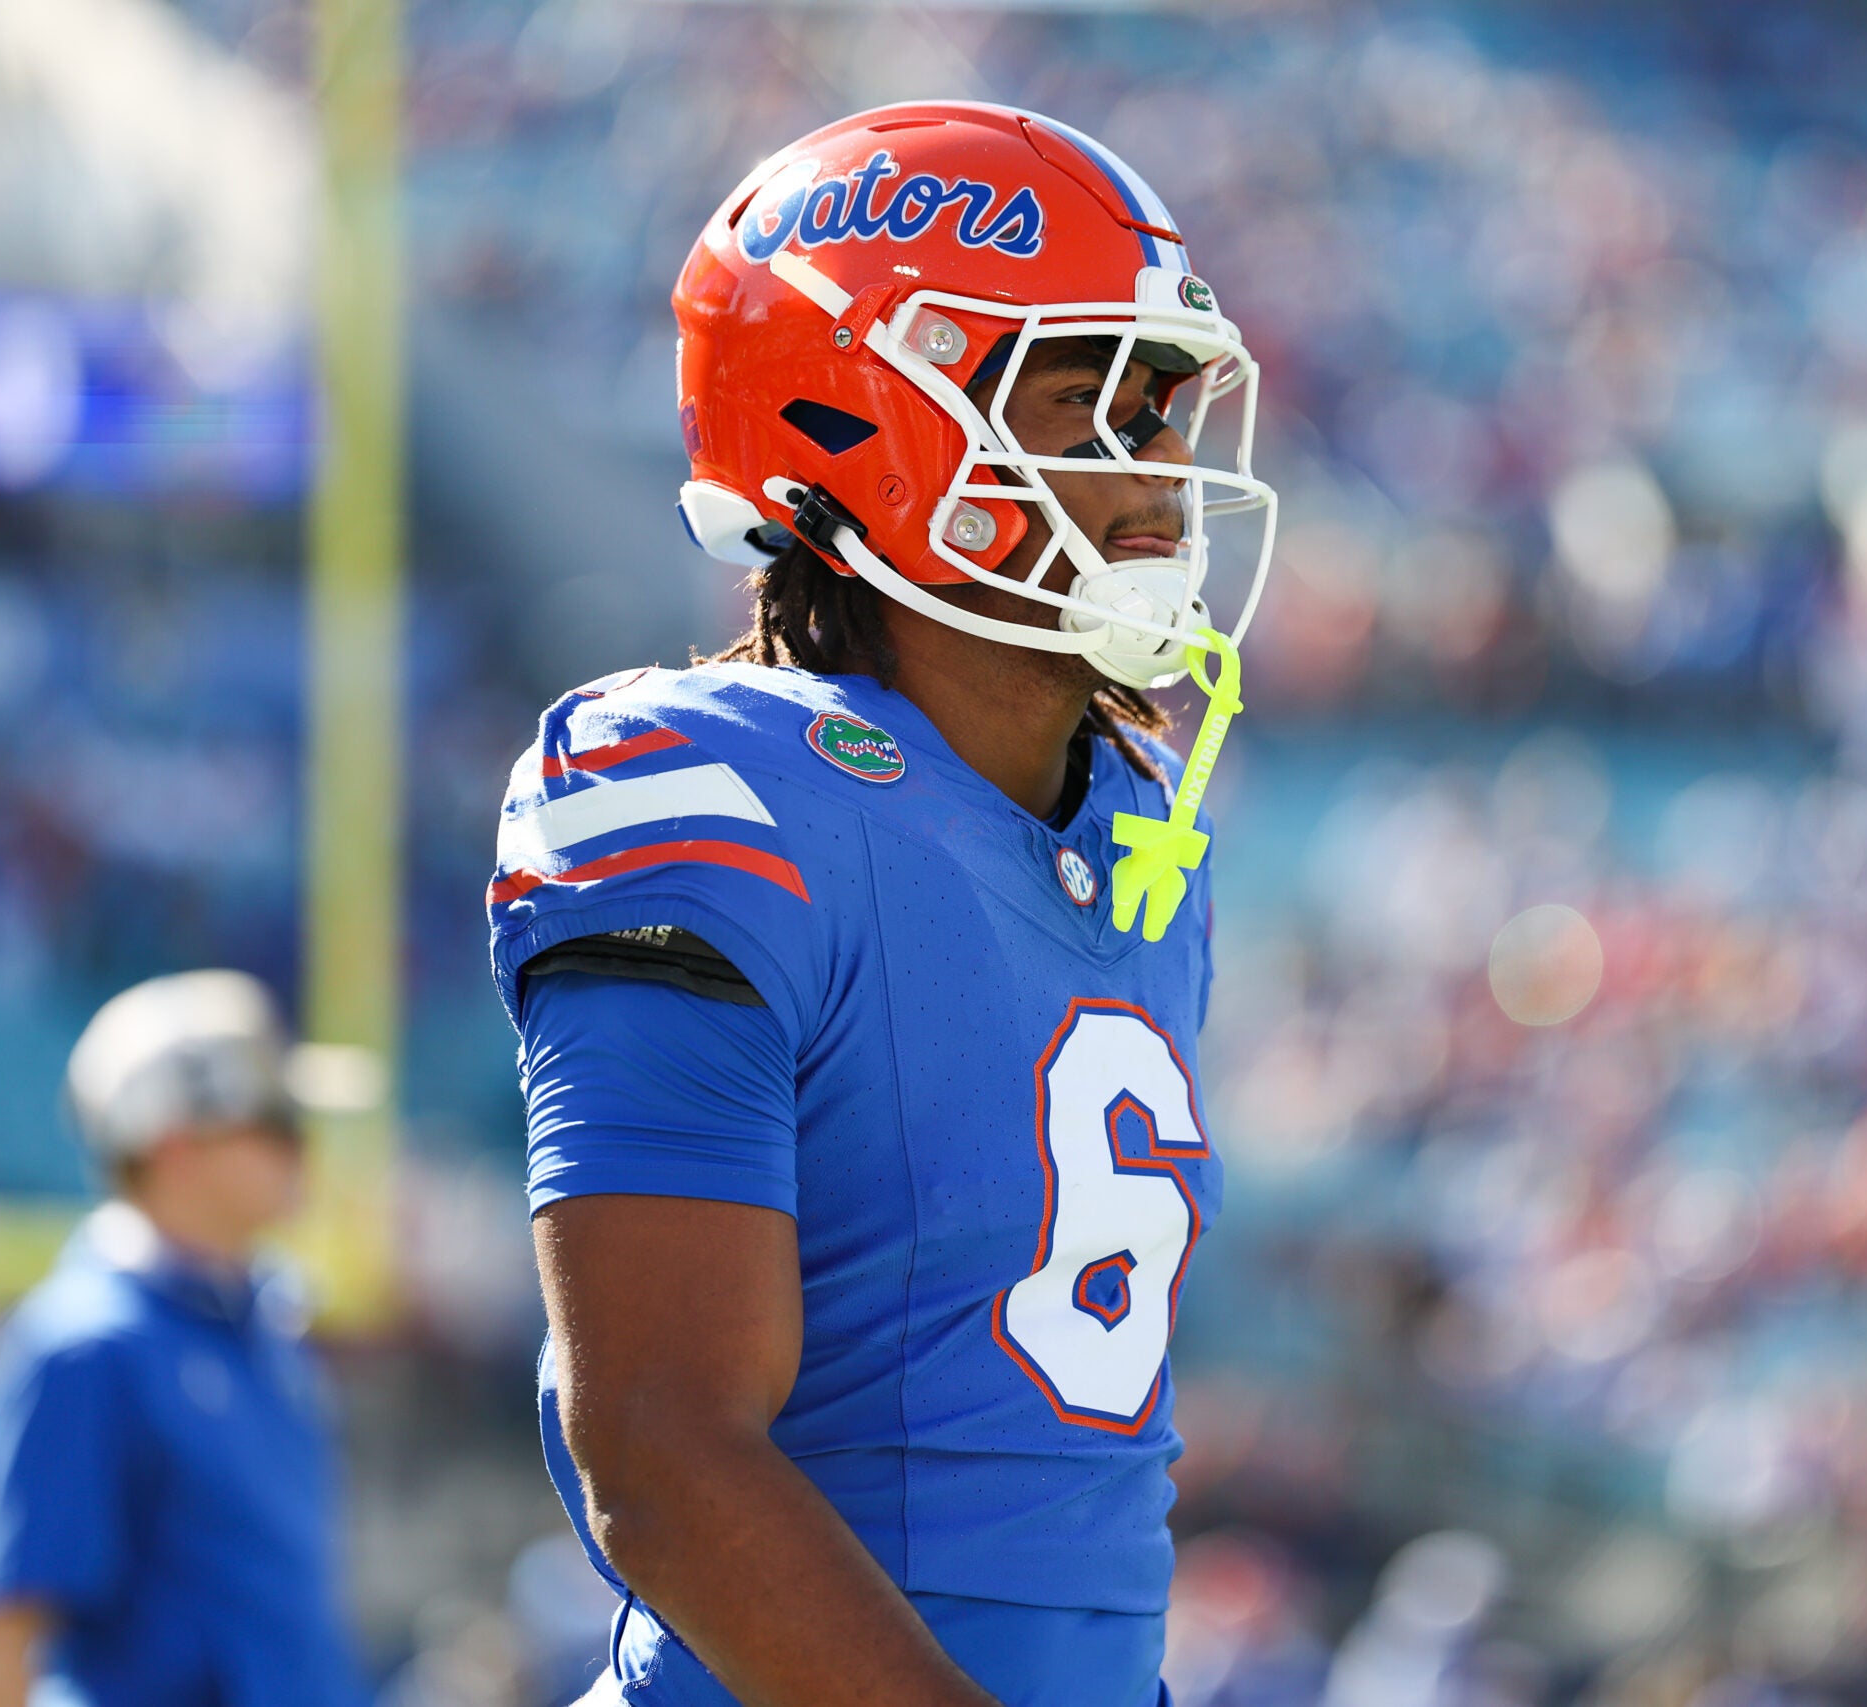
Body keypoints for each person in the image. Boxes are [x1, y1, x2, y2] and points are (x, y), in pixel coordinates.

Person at [492, 102, 1279, 1707]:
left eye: (1161, 413)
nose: (1156, 480)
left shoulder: (1135, 831)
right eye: (1081, 403)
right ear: (863, 420)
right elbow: (654, 1442)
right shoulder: (698, 779)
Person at [0, 971, 365, 1707]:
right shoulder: (85, 1348)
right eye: (275, 1123)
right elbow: (4, 1641)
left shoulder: (268, 1328)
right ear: (175, 1143)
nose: (301, 1150)